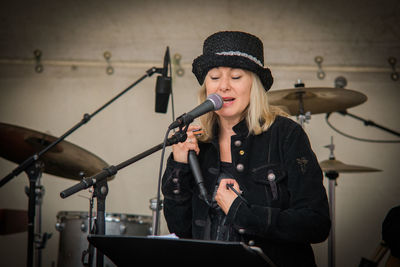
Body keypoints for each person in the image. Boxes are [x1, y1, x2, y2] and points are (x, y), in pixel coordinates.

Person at [161, 31, 331, 266]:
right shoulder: (197, 143)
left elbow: (317, 223)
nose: (223, 86)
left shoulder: (286, 134)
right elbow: (181, 230)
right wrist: (179, 165)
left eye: (236, 76)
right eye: (214, 77)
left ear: (254, 84)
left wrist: (242, 213)